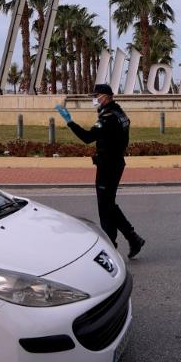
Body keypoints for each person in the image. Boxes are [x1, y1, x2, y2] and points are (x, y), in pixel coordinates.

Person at [56, 84, 145, 258]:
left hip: (108, 166)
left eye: (96, 96)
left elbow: (88, 138)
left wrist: (70, 122)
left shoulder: (108, 118)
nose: (94, 99)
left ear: (106, 96)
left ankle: (117, 243)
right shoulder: (119, 113)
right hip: (115, 163)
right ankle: (130, 238)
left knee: (105, 207)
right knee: (108, 204)